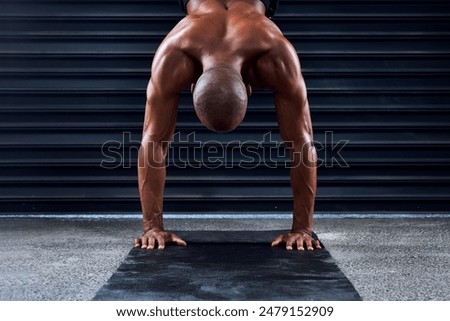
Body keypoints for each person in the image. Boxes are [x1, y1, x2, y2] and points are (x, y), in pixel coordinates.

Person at [134, 0, 321, 251]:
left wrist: (152, 227)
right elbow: (302, 141)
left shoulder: (174, 53)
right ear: (248, 86)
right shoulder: (275, 54)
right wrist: (302, 229)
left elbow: (152, 141)